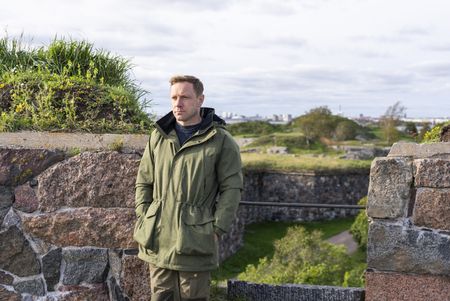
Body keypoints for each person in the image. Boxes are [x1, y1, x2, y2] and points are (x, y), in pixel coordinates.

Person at [133, 75, 243, 301]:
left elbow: (232, 189)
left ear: (200, 100)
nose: (177, 103)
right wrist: (145, 215)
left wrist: (217, 228)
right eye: (173, 97)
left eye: (184, 97)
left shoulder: (221, 140)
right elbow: (144, 180)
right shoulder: (159, 136)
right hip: (159, 238)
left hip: (195, 240)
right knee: (160, 297)